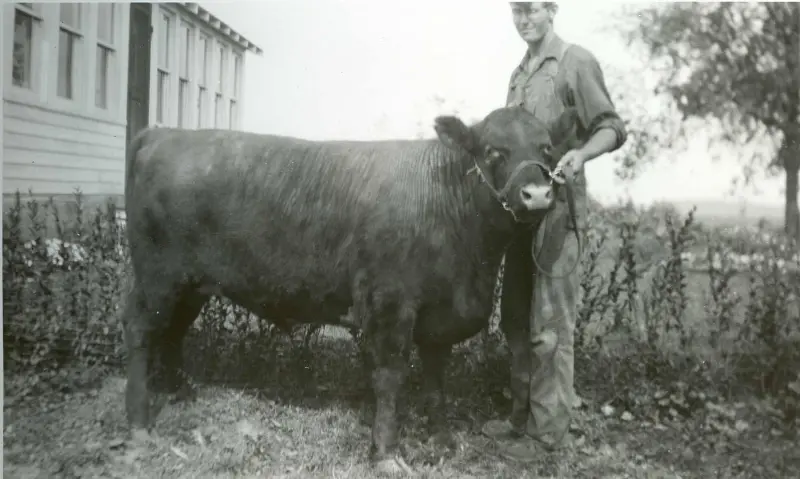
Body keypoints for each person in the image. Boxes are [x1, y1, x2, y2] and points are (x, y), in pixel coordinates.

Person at [481, 2, 628, 461]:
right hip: (520, 217)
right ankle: (519, 418)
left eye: (531, 9)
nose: (523, 19)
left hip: (559, 216)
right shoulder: (518, 74)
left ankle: (548, 437)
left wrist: (581, 156)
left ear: (552, 9)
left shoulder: (576, 62)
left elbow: (612, 127)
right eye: (515, 11)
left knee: (551, 327)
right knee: (517, 319)